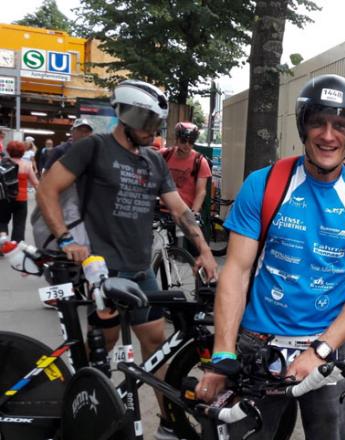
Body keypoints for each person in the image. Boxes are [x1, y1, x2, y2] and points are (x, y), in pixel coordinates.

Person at [195, 74, 345, 439]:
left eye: (340, 125)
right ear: (303, 126)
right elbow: (236, 271)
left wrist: (319, 351)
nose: (328, 135)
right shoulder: (264, 184)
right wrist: (223, 355)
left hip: (328, 346)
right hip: (259, 343)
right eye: (318, 122)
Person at [36, 79, 218, 440]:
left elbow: (180, 209)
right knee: (96, 353)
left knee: (156, 347)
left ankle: (168, 423)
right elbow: (47, 189)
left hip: (139, 269)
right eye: (147, 122)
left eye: (157, 123)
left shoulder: (153, 160)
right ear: (126, 115)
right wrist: (66, 239)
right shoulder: (93, 148)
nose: (153, 131)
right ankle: (81, 416)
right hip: (101, 270)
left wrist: (205, 250)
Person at [162, 122, 211, 213]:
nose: (187, 144)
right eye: (183, 140)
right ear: (177, 139)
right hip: (161, 210)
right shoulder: (164, 154)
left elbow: (201, 192)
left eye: (191, 141)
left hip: (184, 213)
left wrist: (193, 214)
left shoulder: (200, 162)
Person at [0, 140, 39, 243]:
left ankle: (2, 238)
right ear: (23, 152)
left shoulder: (2, 164)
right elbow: (36, 183)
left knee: (2, 220)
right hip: (21, 199)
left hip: (4, 198)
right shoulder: (27, 165)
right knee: (19, 224)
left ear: (8, 151)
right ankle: (16, 245)